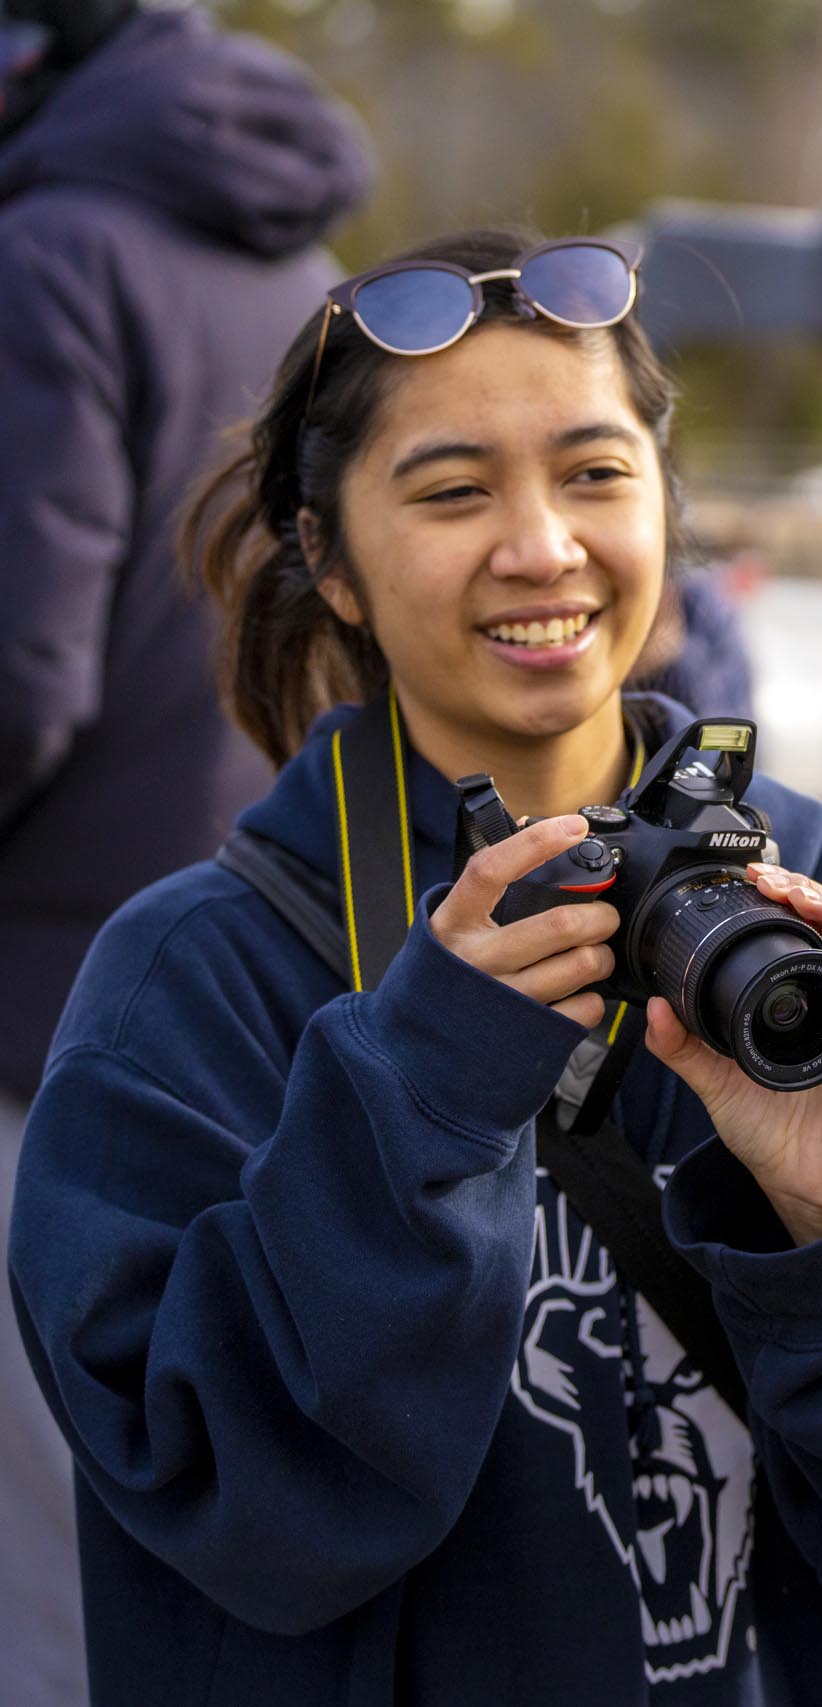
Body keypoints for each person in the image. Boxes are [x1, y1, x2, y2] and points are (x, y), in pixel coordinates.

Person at [8, 228, 822, 1705]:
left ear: (664, 504)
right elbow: (243, 1521)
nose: (543, 545)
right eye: (453, 490)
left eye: (595, 473)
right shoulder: (196, 982)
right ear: (328, 559)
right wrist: (422, 1092)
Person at [0, 5, 370, 1700]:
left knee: (44, 1555)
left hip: (45, 997)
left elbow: (17, 675)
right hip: (288, 955)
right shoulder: (327, 272)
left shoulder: (46, 255)